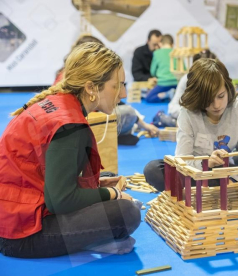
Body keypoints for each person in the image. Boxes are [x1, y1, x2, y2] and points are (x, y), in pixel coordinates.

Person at [0, 42, 142, 258]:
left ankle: (93, 238)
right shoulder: (70, 127)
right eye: (118, 85)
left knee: (106, 178)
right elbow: (61, 201)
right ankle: (92, 239)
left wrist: (99, 188)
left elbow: (47, 175)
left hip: (14, 216)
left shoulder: (60, 104)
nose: (123, 93)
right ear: (91, 88)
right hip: (21, 234)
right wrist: (112, 194)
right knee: (126, 213)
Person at [144, 58, 238, 191]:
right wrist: (207, 163)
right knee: (153, 170)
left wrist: (237, 182)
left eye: (221, 96)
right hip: (196, 172)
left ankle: (219, 191)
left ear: (228, 88)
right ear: (198, 97)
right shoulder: (188, 113)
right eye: (208, 100)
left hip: (227, 173)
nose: (216, 105)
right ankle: (218, 191)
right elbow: (182, 160)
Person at [54, 35, 159, 145]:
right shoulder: (73, 126)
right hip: (92, 125)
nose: (124, 94)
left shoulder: (66, 76)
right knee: (128, 113)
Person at [152, 49, 218, 128]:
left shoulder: (218, 80)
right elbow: (173, 108)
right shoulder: (187, 80)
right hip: (189, 112)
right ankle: (164, 117)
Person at [146, 34, 178, 103]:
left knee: (149, 98)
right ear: (172, 44)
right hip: (176, 82)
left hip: (163, 83)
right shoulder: (177, 52)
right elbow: (183, 68)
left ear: (160, 44)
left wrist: (156, 76)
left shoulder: (157, 53)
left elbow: (152, 71)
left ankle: (167, 94)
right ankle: (174, 94)